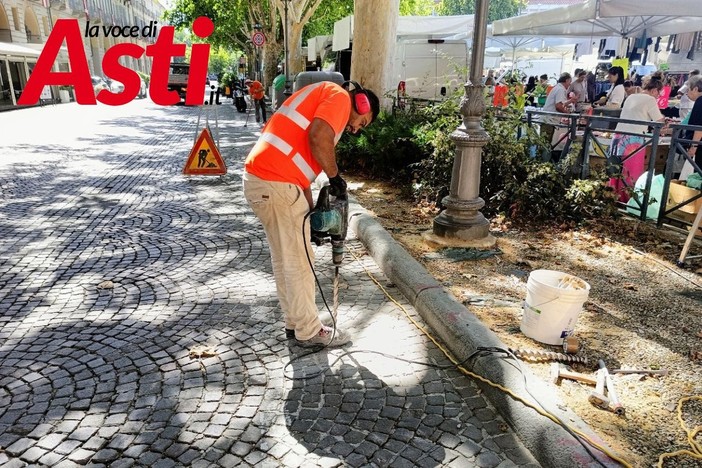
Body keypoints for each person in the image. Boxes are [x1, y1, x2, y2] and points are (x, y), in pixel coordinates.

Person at [243, 80, 380, 347]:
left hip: (264, 181)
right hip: (278, 183)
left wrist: (310, 210)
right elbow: (318, 138)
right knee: (299, 262)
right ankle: (309, 330)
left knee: (286, 259)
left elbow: (301, 167)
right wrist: (335, 177)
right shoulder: (339, 97)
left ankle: (295, 323)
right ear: (361, 103)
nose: (355, 129)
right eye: (362, 122)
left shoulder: (322, 93)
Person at [608, 75, 666, 201]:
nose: (657, 97)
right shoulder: (650, 100)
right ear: (654, 90)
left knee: (616, 169)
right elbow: (659, 120)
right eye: (658, 94)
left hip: (619, 136)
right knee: (631, 171)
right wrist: (666, 121)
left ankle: (612, 196)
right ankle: (628, 200)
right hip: (634, 139)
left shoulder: (631, 96)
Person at [541, 72, 578, 161]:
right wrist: (568, 114)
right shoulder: (560, 90)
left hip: (548, 120)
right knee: (545, 144)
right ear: (567, 80)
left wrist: (570, 101)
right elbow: (558, 106)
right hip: (549, 120)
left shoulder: (557, 88)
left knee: (545, 144)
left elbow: (560, 103)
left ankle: (543, 163)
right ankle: (543, 164)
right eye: (570, 82)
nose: (570, 84)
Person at [683, 75, 702, 178]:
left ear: (695, 88)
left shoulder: (700, 101)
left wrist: (694, 146)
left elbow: (699, 126)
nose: (687, 93)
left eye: (688, 89)